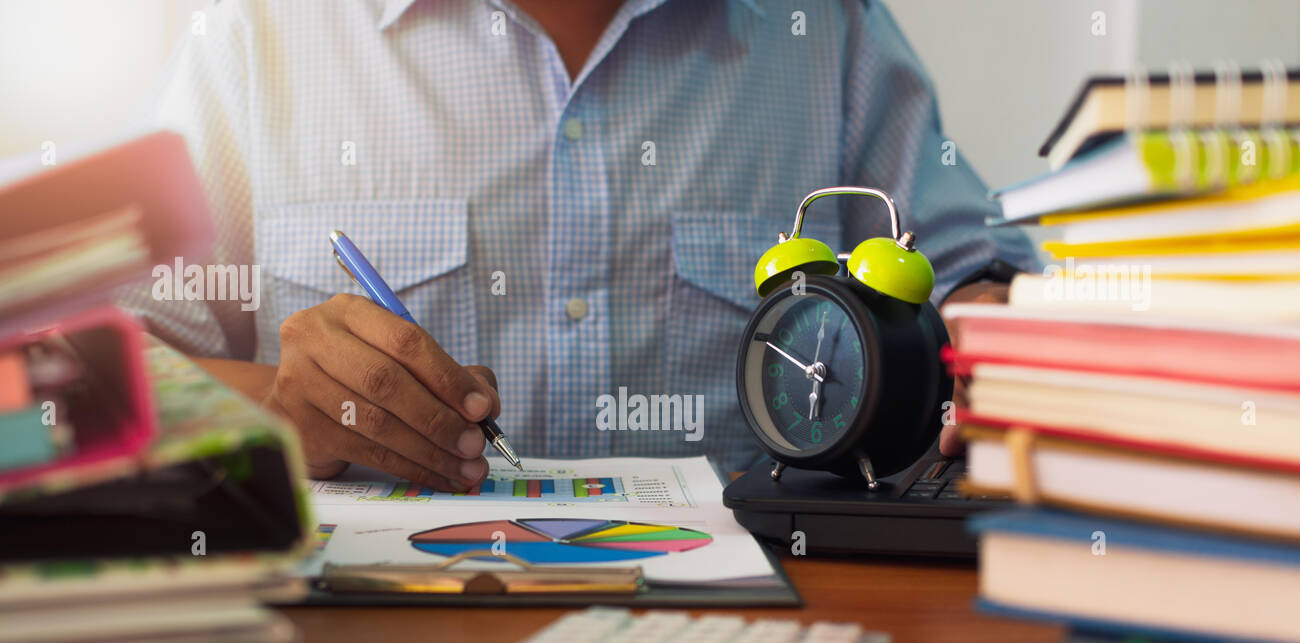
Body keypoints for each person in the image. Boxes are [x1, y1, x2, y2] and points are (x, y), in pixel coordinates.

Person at [120, 0, 1036, 487]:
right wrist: (283, 409)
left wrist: (994, 352)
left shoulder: (827, 29)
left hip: (762, 635)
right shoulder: (255, 38)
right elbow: (93, 374)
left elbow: (976, 287)